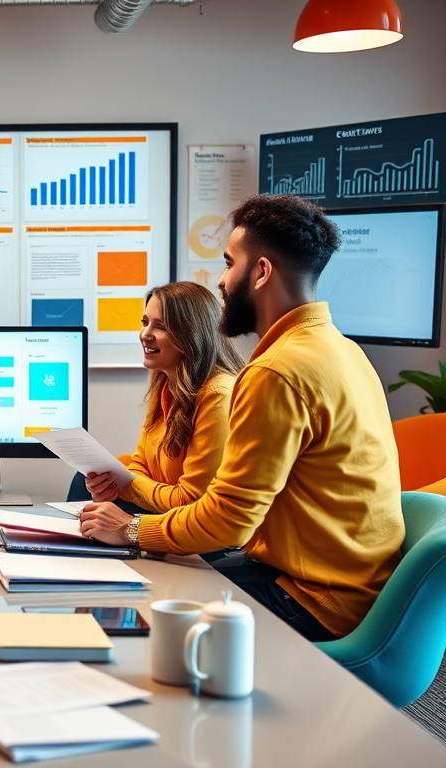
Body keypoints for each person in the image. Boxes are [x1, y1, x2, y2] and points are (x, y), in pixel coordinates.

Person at [79, 195, 404, 641]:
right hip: (344, 587)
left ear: (262, 271)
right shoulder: (342, 349)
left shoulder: (277, 370)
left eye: (229, 264)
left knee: (139, 606)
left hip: (312, 599)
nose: (222, 281)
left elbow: (228, 520)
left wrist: (132, 529)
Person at [76, 281, 243, 514]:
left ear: (192, 334)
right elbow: (139, 465)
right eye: (145, 322)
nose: (145, 334)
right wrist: (112, 487)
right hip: (164, 513)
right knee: (83, 481)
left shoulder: (218, 396)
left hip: (201, 535)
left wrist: (124, 485)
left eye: (161, 327)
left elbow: (190, 502)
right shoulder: (166, 385)